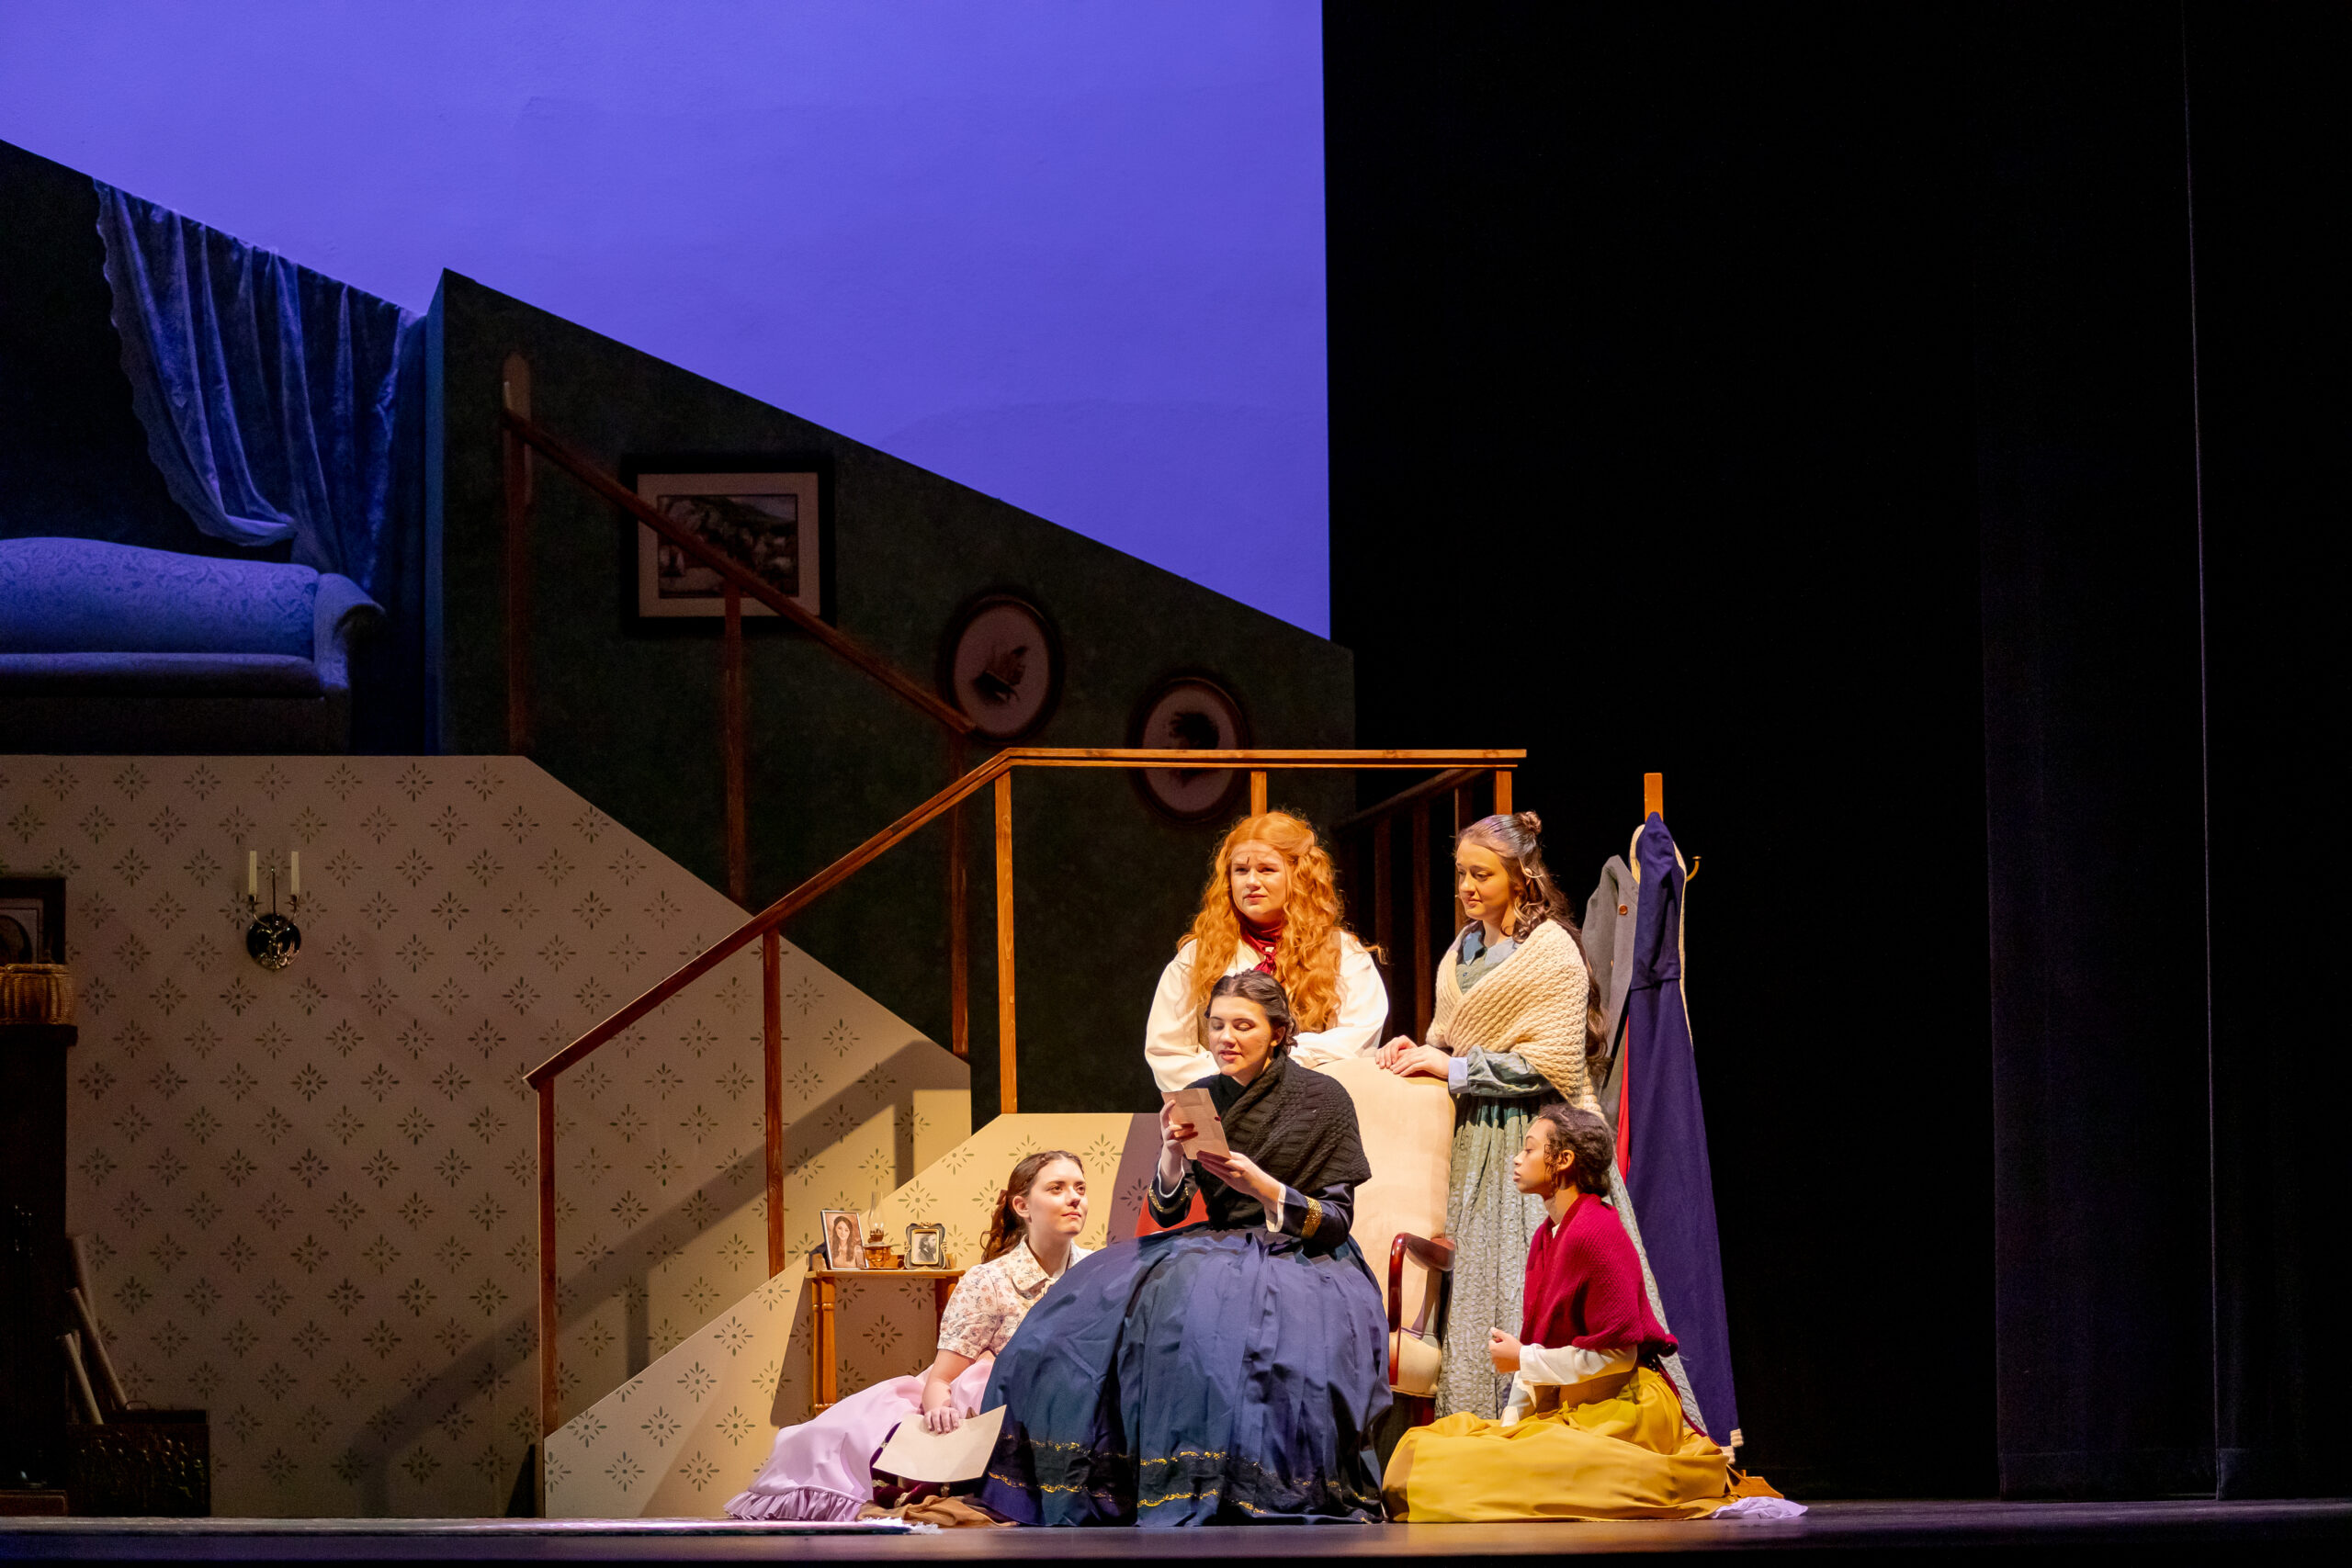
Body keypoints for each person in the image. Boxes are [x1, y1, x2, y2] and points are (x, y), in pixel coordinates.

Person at [980, 972, 1390, 1525]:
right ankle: (1108, 1480)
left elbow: (1336, 1221)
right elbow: (1170, 1211)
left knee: (1223, 1329)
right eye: (1216, 1025)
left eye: (1243, 1025)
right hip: (1217, 1247)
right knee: (1076, 1319)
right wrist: (1171, 1157)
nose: (1226, 1038)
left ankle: (1242, 1483)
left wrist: (1264, 1188)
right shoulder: (1201, 1095)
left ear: (1278, 1033)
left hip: (1303, 1253)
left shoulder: (1324, 1097)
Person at [1377, 811, 1693, 1427]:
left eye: (1482, 874)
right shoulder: (1463, 947)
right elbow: (1454, 1034)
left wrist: (1453, 1067)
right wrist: (1421, 1049)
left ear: (1520, 876)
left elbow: (1548, 1064)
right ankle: (1482, 1422)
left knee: (1537, 1281)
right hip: (1475, 1138)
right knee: (1477, 1285)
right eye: (1461, 873)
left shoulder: (1550, 950)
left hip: (1538, 1137)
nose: (1467, 887)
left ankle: (1546, 1423)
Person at [1382, 1105, 1780, 1521]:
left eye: (1529, 1149)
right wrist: (1508, 1430)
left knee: (1487, 1475)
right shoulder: (1547, 1236)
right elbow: (1536, 1350)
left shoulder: (1597, 1231)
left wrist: (1524, 1358)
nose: (1517, 1159)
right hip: (1578, 1407)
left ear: (1564, 1160)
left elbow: (1619, 1354)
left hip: (1625, 1408)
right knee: (1445, 1447)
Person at [723, 1151, 1091, 1521]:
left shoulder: (1098, 1274)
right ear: (1022, 1206)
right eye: (1056, 1188)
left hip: (1076, 1411)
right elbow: (942, 1379)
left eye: (1080, 1188)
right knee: (841, 1442)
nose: (1073, 1198)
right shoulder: (990, 1282)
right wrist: (940, 1411)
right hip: (998, 1413)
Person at [1144, 811, 1388, 1093]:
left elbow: (1358, 1036)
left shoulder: (1340, 953)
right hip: (1221, 1106)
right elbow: (1167, 1052)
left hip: (1308, 1103)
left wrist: (1277, 1068)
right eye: (1241, 870)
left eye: (1267, 870)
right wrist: (1234, 1078)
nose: (1251, 881)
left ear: (1299, 876)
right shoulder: (1198, 956)